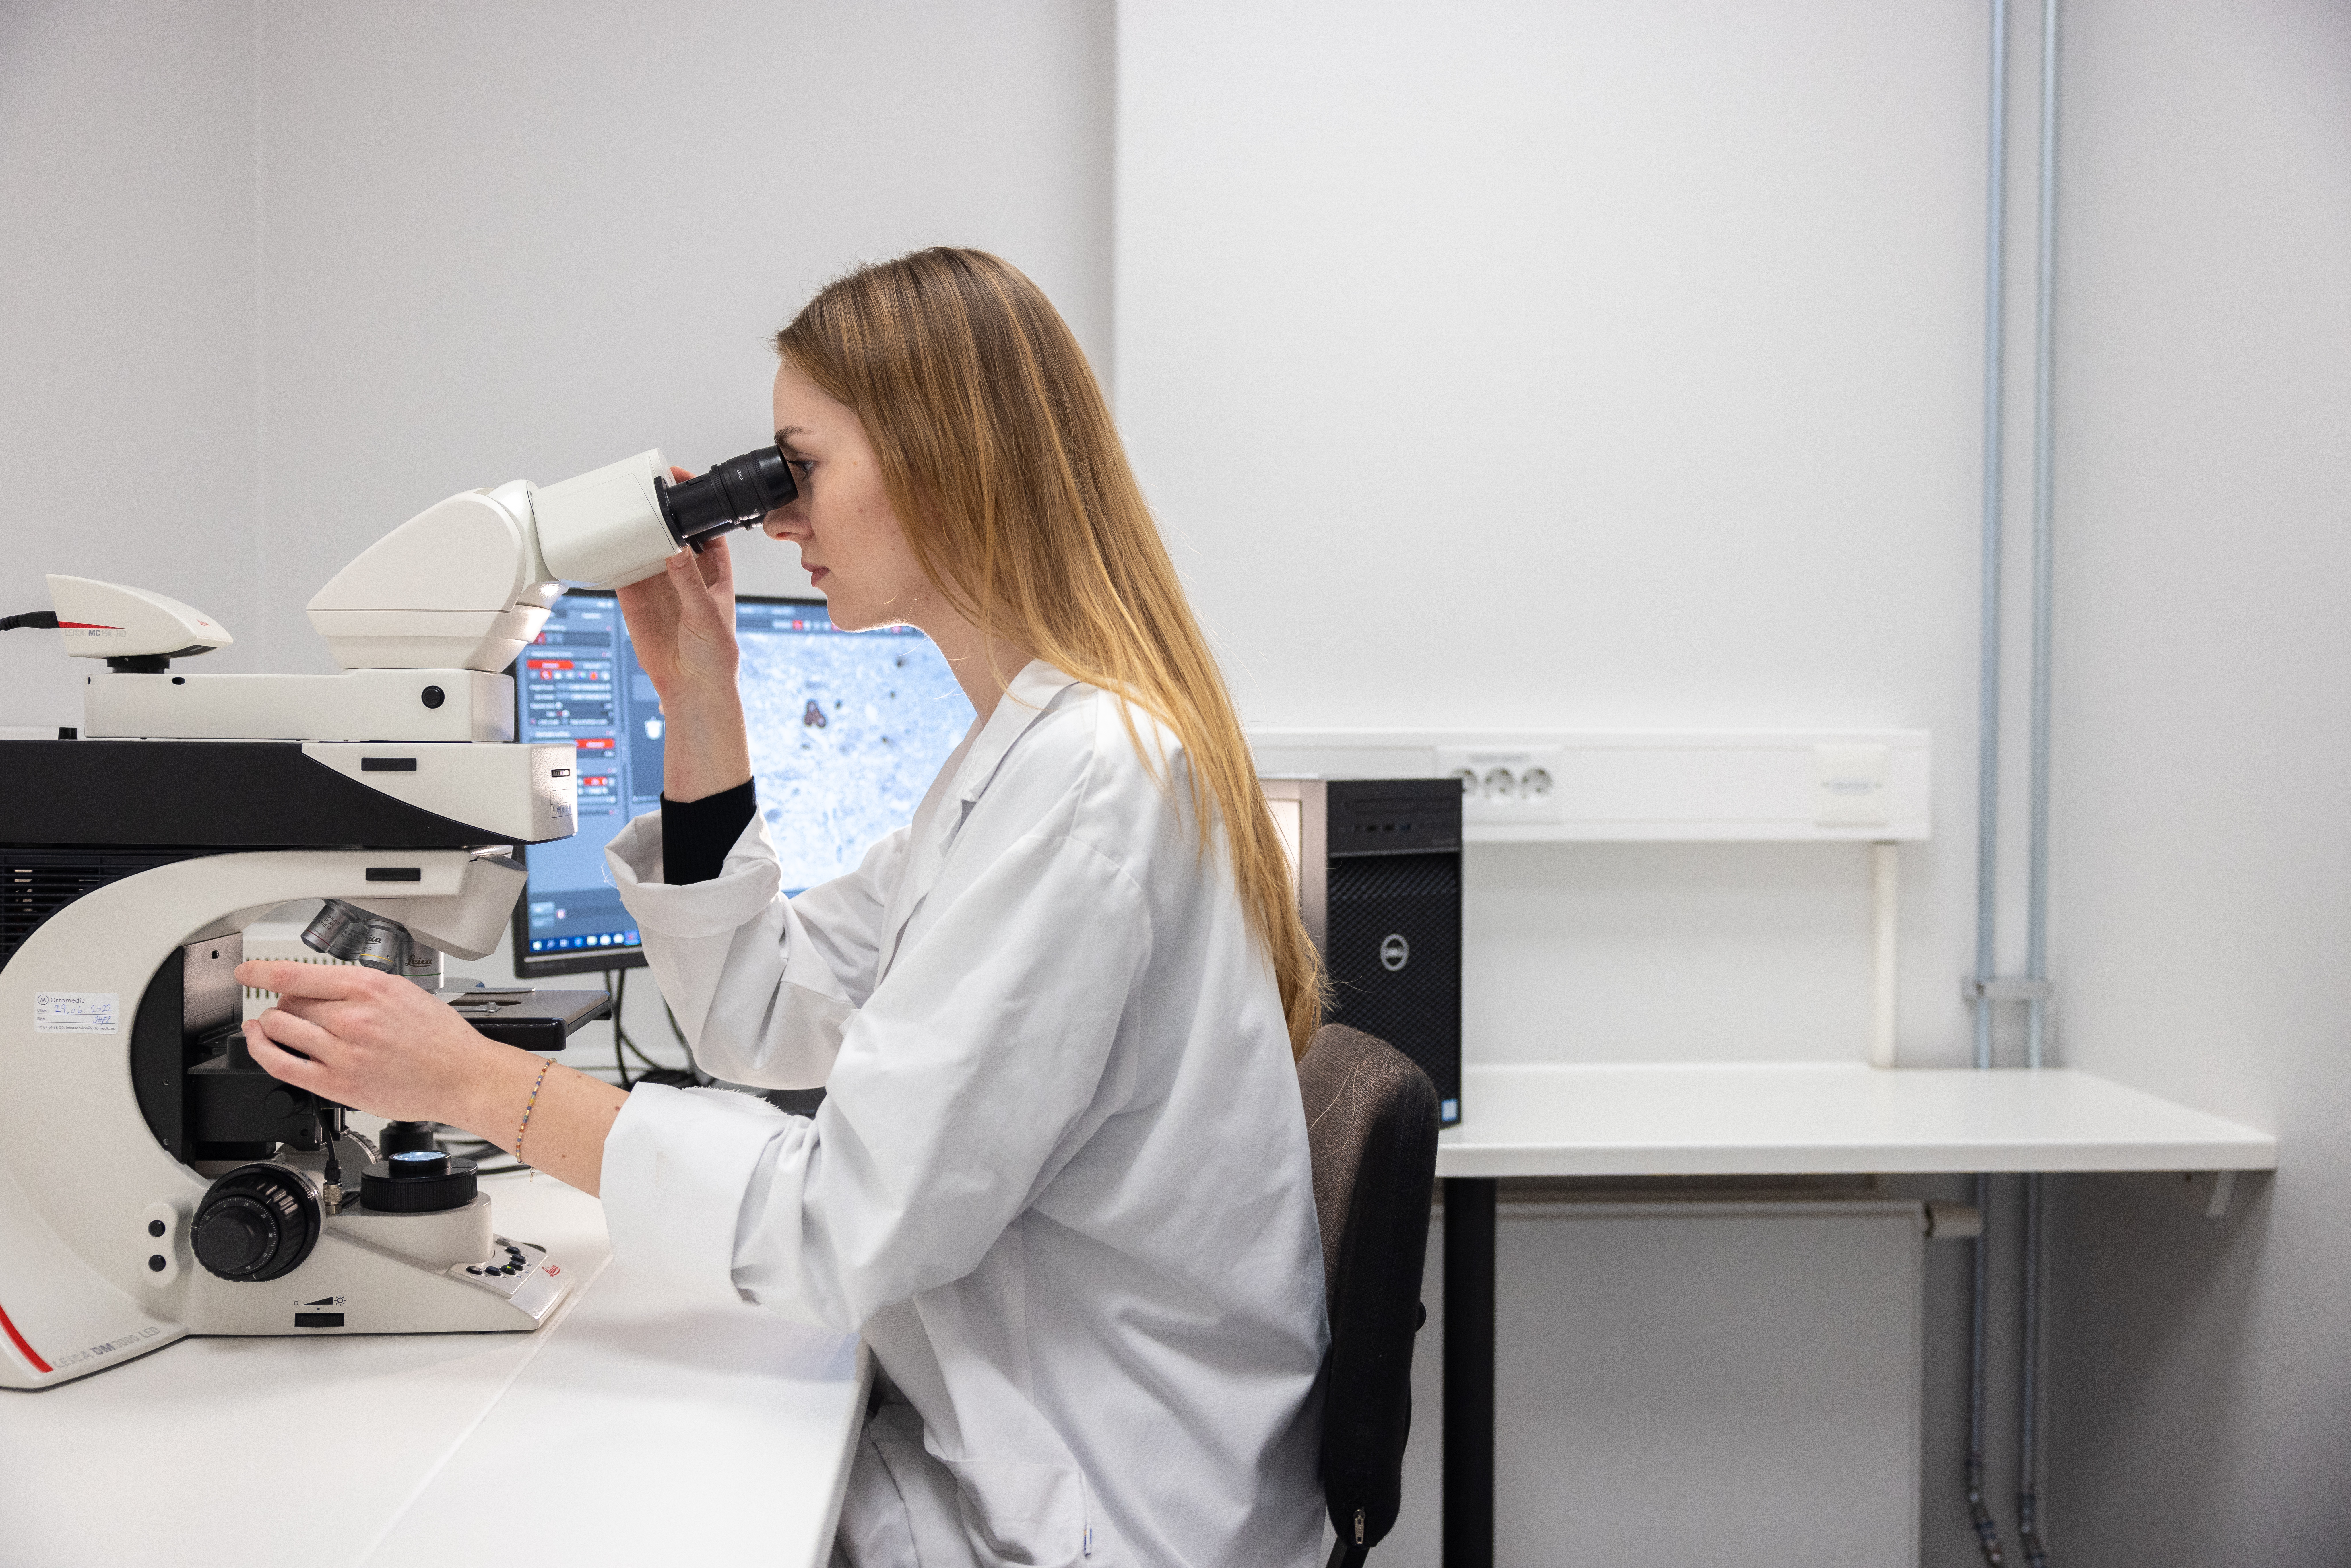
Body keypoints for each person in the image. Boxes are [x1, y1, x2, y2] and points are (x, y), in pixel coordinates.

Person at [236, 247, 1331, 1567]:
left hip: (1096, 1508)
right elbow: (764, 1015)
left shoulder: (1083, 783)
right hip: (1034, 1437)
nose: (773, 519)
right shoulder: (1022, 761)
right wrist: (701, 688)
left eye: (794, 468)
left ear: (942, 455)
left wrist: (475, 1087)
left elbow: (843, 1226)